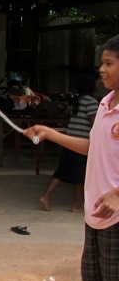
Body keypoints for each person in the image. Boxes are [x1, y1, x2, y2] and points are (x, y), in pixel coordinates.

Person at [26, 36, 119, 281]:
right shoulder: (105, 104)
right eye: (102, 62)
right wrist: (51, 134)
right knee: (92, 274)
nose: (101, 69)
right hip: (96, 208)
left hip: (115, 211)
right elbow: (92, 147)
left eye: (109, 63)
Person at [39, 72, 98, 212]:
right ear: (91, 85)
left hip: (69, 141)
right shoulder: (91, 102)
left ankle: (47, 196)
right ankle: (76, 205)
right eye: (97, 81)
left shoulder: (77, 100)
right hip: (81, 143)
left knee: (62, 171)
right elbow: (94, 124)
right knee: (80, 175)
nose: (99, 84)